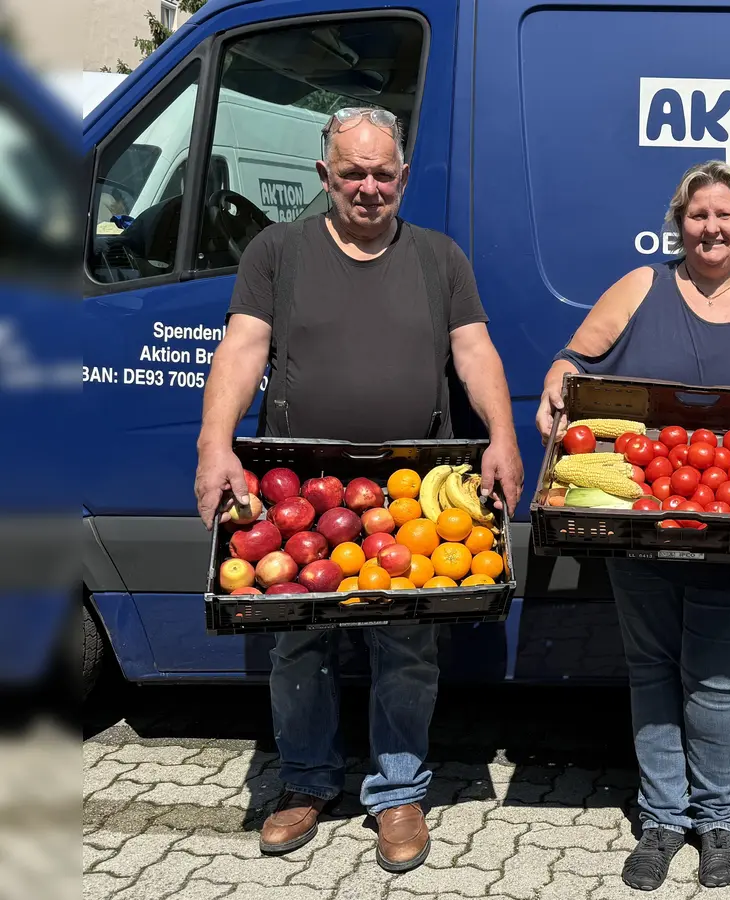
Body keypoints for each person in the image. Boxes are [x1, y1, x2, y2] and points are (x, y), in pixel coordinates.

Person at [193, 106, 522, 874]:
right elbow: (242, 348)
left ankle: (398, 791)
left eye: (382, 174)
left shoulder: (440, 258)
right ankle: (306, 781)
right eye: (353, 174)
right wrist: (215, 443)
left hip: (408, 485)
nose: (368, 188)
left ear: (403, 177)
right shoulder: (277, 251)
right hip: (298, 486)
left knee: (405, 642)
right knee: (297, 641)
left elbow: (474, 353)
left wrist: (502, 437)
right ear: (324, 177)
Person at [535, 160, 730, 892]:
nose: (711, 228)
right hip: (645, 510)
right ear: (679, 221)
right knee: (651, 669)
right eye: (698, 215)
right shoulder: (643, 286)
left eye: (725, 215)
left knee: (718, 680)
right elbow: (574, 359)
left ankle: (716, 823)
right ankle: (660, 820)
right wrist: (556, 382)